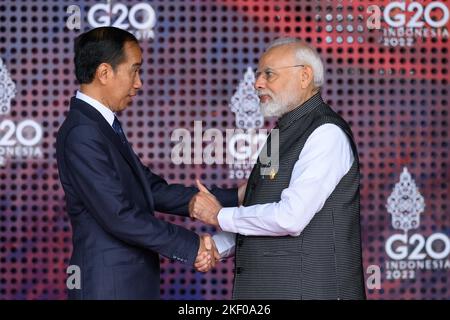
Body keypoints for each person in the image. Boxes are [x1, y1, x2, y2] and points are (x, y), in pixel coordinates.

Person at [56, 27, 238, 299]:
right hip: (109, 287)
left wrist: (232, 197)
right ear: (104, 73)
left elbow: (149, 189)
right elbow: (118, 215)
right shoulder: (84, 131)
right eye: (134, 70)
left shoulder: (100, 126)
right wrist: (194, 245)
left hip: (127, 283)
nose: (139, 83)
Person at [190, 38, 366, 300]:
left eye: (269, 74)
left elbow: (289, 217)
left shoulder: (325, 132)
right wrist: (218, 244)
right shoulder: (279, 133)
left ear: (305, 75)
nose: (257, 83)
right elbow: (260, 203)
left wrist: (219, 215)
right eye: (259, 74)